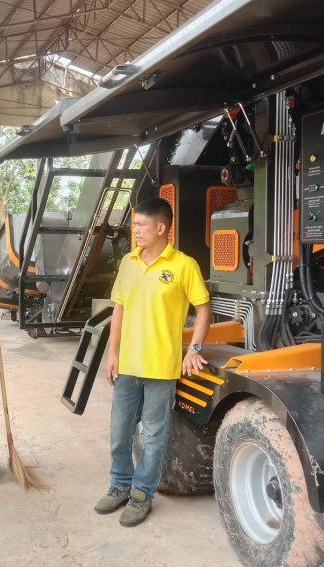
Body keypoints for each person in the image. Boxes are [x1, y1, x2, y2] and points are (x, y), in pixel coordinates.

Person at [94, 197, 212, 527]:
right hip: (128, 365)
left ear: (161, 228)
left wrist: (194, 347)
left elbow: (203, 309)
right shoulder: (128, 262)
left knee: (153, 437)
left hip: (161, 368)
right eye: (135, 224)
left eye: (141, 224)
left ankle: (141, 494)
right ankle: (120, 486)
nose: (135, 230)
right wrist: (112, 353)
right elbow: (119, 308)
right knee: (119, 434)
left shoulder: (184, 265)